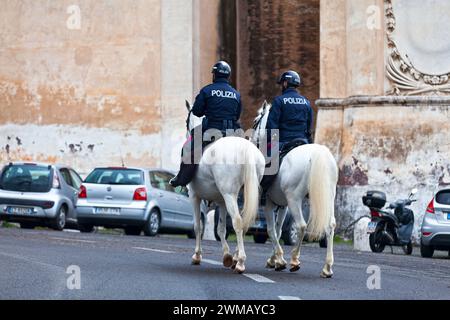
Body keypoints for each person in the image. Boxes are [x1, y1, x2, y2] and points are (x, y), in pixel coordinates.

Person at [169, 61, 243, 188]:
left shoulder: (207, 91)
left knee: (189, 147)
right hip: (232, 131)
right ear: (228, 76)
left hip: (211, 129)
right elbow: (237, 115)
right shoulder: (236, 94)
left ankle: (182, 177)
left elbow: (197, 112)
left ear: (214, 75)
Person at [260, 70, 314, 193]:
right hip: (303, 141)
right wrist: (309, 143)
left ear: (285, 84)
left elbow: (272, 127)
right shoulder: (306, 102)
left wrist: (269, 145)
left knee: (267, 165)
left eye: (282, 84)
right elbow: (309, 126)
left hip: (284, 142)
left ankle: (263, 192)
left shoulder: (279, 101)